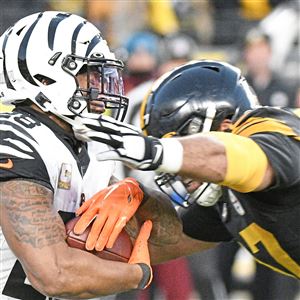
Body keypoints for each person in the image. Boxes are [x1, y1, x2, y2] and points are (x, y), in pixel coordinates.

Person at [0, 11, 184, 299]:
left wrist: (136, 193)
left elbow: (168, 235)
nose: (101, 86)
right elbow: (54, 274)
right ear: (46, 78)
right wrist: (139, 274)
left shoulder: (87, 143)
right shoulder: (14, 140)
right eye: (90, 73)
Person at [72, 60, 300, 282]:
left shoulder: (271, 130)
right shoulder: (226, 199)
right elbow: (151, 248)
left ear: (224, 125)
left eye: (180, 142)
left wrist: (156, 152)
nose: (178, 172)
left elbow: (247, 158)